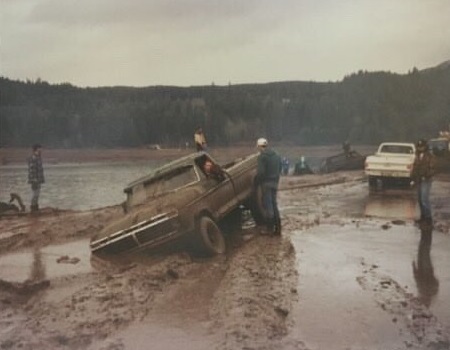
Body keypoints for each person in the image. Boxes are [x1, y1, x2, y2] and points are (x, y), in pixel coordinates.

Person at [256, 137, 282, 235]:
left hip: (266, 183)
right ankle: (278, 228)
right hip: (275, 182)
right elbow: (280, 167)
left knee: (268, 205)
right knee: (274, 204)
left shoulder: (262, 157)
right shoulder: (276, 154)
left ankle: (270, 229)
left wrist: (257, 182)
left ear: (259, 146)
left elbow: (260, 173)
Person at [410, 139, 435, 225]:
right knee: (420, 199)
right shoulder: (417, 156)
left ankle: (428, 218)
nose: (421, 148)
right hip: (418, 179)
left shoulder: (430, 156)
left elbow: (433, 169)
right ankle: (423, 216)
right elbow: (414, 168)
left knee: (424, 199)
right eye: (419, 146)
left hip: (426, 180)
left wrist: (426, 176)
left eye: (422, 146)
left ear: (425, 147)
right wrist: (412, 178)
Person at [28, 143, 45, 212]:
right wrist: (34, 179)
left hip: (39, 179)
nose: (41, 149)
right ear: (36, 149)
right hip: (35, 179)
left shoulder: (38, 157)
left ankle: (35, 206)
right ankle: (33, 207)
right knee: (35, 194)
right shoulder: (33, 158)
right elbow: (32, 170)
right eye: (39, 148)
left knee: (37, 194)